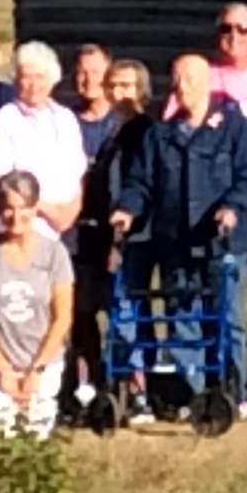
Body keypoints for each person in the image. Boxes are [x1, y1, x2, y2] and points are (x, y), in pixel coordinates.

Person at [112, 53, 247, 419]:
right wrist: (127, 208)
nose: (182, 86)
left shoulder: (235, 129)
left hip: (222, 242)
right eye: (177, 79)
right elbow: (140, 183)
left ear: (207, 83)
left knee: (226, 319)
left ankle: (233, 393)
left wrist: (232, 207)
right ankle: (193, 395)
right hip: (175, 244)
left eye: (190, 79)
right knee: (181, 318)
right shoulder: (160, 135)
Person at [0, 169, 74, 437]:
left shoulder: (54, 253)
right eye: (8, 208)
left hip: (42, 363)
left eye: (23, 207)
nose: (15, 216)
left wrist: (36, 370)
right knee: (0, 433)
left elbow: (63, 317)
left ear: (35, 208)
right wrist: (3, 368)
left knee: (35, 434)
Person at [73, 57, 151, 408]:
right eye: (113, 85)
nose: (118, 93)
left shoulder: (144, 132)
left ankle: (138, 390)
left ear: (141, 91)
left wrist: (121, 234)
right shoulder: (115, 132)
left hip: (133, 237)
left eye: (126, 86)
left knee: (129, 312)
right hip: (104, 234)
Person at [0, 41, 88, 240]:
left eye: (40, 77)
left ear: (52, 79)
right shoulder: (4, 120)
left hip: (68, 228)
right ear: (15, 80)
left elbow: (78, 172)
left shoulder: (66, 118)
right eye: (26, 77)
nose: (33, 85)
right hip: (27, 228)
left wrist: (69, 214)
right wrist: (48, 212)